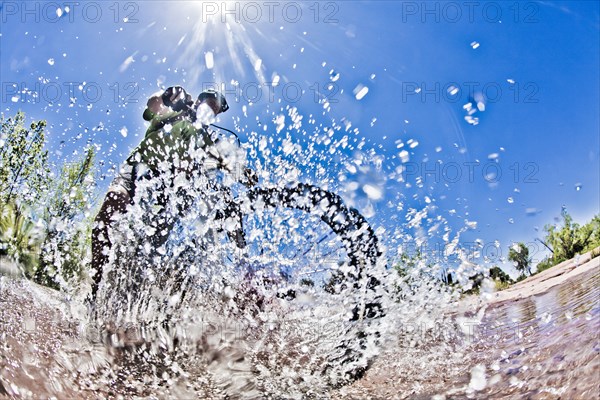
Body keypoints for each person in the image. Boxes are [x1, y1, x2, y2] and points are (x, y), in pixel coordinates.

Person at [90, 86, 252, 301]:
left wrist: (244, 173)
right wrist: (166, 95)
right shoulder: (175, 109)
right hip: (140, 168)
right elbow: (152, 105)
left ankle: (129, 294)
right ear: (198, 101)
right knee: (112, 204)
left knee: (152, 245)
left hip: (168, 190)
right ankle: (94, 286)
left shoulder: (206, 138)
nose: (210, 111)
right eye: (208, 104)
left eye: (215, 111)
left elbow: (226, 161)